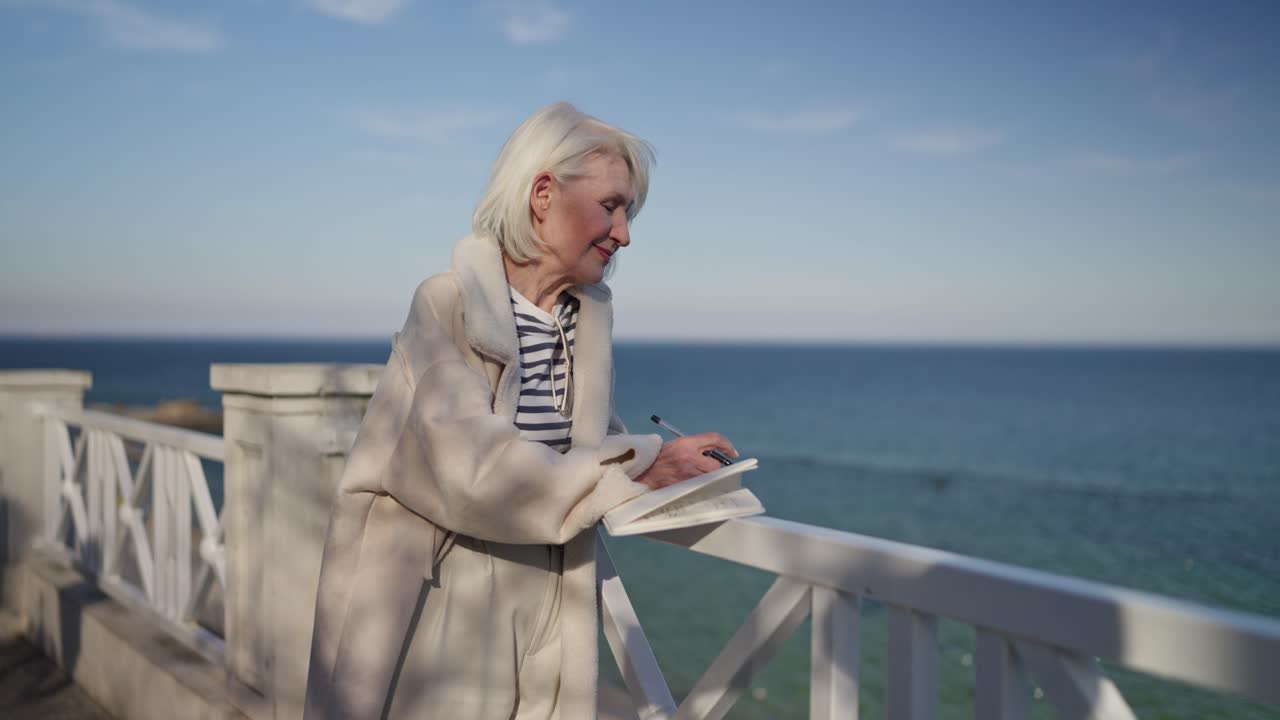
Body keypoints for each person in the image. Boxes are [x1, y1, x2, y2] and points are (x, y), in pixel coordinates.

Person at [302, 102, 738, 720]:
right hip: (441, 614)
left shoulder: (581, 326)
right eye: (612, 206)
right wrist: (639, 460)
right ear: (542, 195)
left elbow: (588, 455)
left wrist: (656, 470)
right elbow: (473, 469)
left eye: (629, 212)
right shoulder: (444, 306)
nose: (625, 233)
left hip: (548, 614)